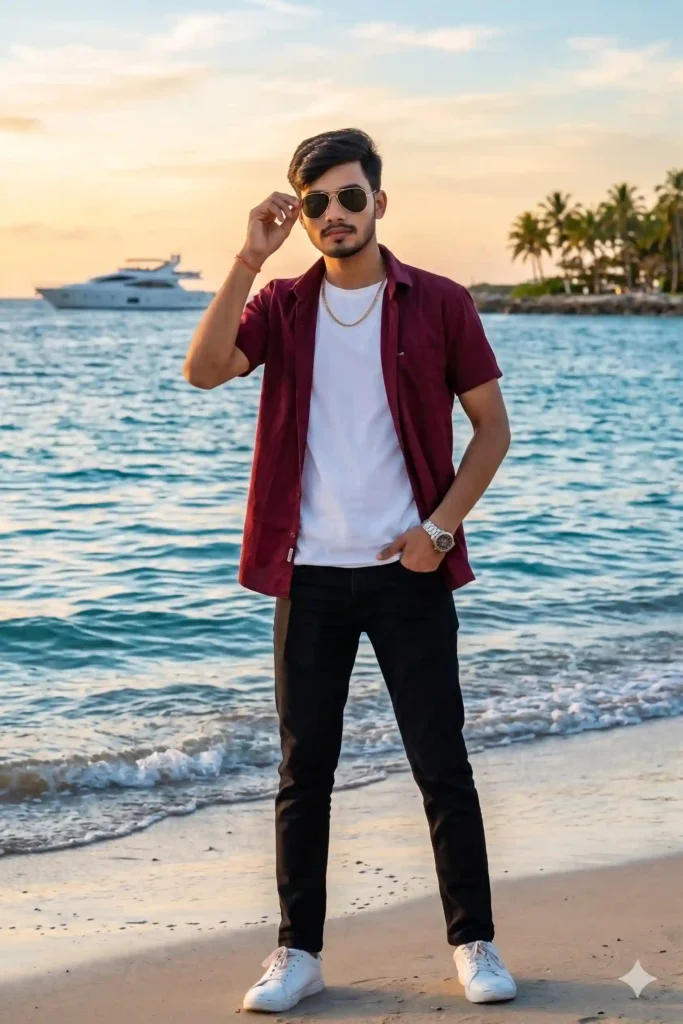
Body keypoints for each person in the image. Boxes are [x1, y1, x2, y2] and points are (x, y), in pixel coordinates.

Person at [183, 128, 514, 1014]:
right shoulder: (283, 305)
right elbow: (204, 371)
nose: (334, 214)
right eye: (316, 202)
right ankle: (298, 951)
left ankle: (472, 942)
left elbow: (492, 431)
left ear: (379, 202)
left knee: (440, 764)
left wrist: (436, 533)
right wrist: (247, 261)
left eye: (349, 197)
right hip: (311, 576)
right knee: (305, 773)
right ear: (303, 215)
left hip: (409, 572)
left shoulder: (439, 302)